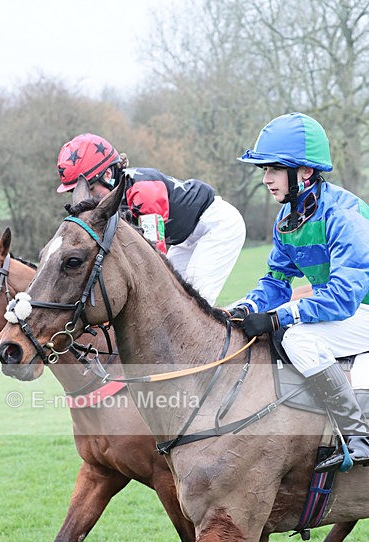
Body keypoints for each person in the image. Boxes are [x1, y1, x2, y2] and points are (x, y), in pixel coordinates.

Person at [228, 111, 369, 473]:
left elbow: (342, 297)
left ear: (305, 172)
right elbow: (276, 281)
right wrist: (246, 306)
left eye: (274, 169)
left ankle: (358, 436)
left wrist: (278, 316)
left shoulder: (343, 215)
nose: (266, 179)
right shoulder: (287, 220)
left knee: (298, 340)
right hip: (351, 312)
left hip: (359, 307)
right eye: (264, 170)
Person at [56, 132, 246, 306]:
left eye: (90, 189)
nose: (87, 198)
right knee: (172, 301)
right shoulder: (112, 197)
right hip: (185, 237)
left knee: (195, 303)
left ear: (107, 175)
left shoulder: (142, 190)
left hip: (217, 226)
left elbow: (155, 256)